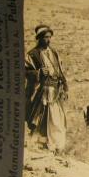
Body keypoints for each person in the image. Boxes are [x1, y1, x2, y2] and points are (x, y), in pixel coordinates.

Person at [25, 25, 69, 154]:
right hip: (42, 91)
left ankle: (58, 146)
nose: (49, 40)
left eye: (50, 37)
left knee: (57, 119)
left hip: (56, 91)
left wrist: (64, 86)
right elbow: (25, 72)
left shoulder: (54, 52)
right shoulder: (32, 54)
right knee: (43, 118)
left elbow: (60, 70)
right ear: (39, 38)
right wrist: (38, 72)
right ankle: (45, 144)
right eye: (46, 37)